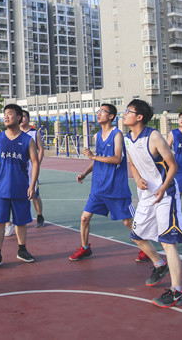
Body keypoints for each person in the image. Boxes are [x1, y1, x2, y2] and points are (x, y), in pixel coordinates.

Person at [123, 99, 182, 308]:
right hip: (147, 195)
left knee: (168, 242)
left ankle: (177, 292)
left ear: (139, 117)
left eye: (128, 111)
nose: (125, 114)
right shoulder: (127, 139)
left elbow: (173, 165)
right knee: (136, 235)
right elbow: (133, 163)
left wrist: (162, 187)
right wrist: (136, 178)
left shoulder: (154, 136)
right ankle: (160, 265)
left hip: (165, 194)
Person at [70, 104, 133, 261]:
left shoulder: (117, 135)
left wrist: (92, 156)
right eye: (98, 112)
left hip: (116, 187)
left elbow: (117, 159)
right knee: (84, 218)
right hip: (98, 186)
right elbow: (99, 158)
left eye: (102, 112)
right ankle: (85, 248)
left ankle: (145, 247)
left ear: (111, 116)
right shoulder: (97, 136)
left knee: (127, 222)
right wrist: (85, 173)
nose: (98, 114)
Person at [0, 104, 40, 267]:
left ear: (19, 117)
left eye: (10, 113)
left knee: (20, 222)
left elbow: (35, 162)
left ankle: (22, 250)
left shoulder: (27, 140)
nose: (6, 117)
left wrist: (32, 184)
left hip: (20, 187)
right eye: (5, 114)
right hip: (0, 188)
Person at [19, 110, 45, 230]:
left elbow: (41, 149)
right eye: (20, 117)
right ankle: (21, 218)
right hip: (18, 168)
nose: (22, 119)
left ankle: (39, 216)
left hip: (30, 167)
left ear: (28, 119)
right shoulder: (15, 133)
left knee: (34, 193)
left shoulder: (34, 133)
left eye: (24, 116)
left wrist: (37, 164)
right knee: (19, 195)